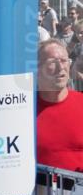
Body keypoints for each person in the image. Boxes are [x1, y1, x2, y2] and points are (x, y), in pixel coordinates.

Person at [36, 39, 83, 172]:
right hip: (39, 190)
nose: (61, 67)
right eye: (52, 62)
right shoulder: (23, 109)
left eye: (64, 61)